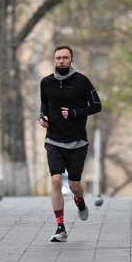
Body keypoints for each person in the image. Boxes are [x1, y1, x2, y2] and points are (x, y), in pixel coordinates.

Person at [38, 45, 102, 242]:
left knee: (74, 184)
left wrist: (74, 113)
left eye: (65, 58)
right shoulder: (46, 82)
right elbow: (44, 105)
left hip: (77, 141)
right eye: (58, 58)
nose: (61, 61)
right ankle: (60, 228)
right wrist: (42, 118)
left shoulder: (82, 82)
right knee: (56, 180)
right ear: (54, 60)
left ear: (71, 60)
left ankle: (80, 201)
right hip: (54, 140)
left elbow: (97, 106)